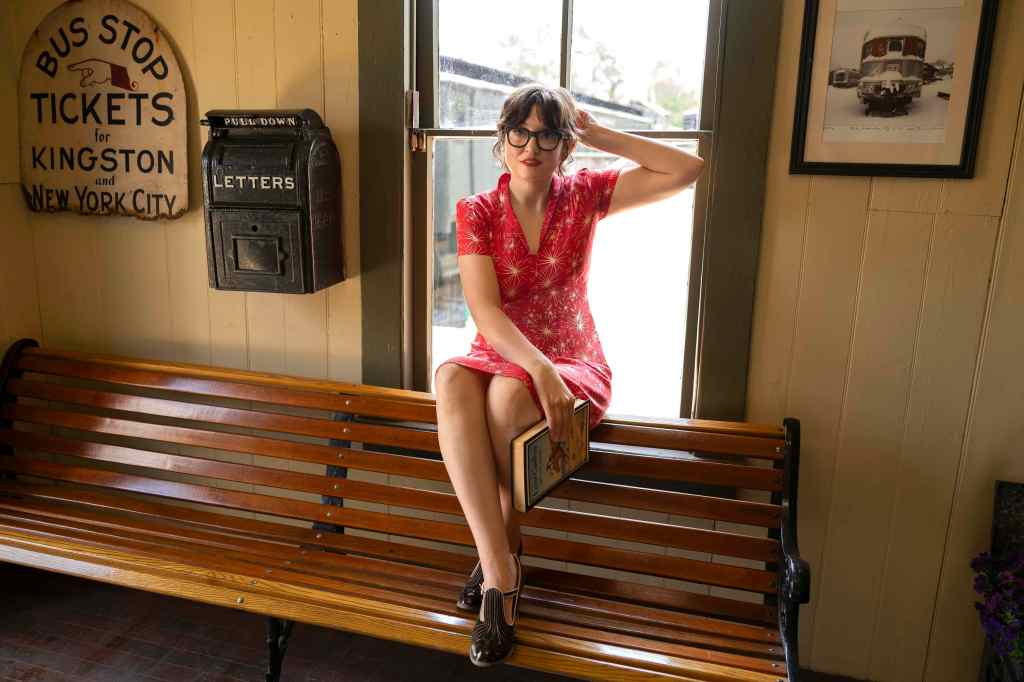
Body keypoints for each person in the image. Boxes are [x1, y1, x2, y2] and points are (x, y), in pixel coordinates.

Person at [432, 83, 705, 666]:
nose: (531, 147)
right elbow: (485, 311)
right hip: (505, 350)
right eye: (519, 133)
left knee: (508, 399)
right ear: (503, 139)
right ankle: (502, 567)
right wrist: (537, 367)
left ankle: (496, 570)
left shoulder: (583, 195)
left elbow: (688, 168)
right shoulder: (477, 210)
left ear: (565, 144)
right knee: (451, 379)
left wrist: (599, 132)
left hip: (573, 355)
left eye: (547, 135)